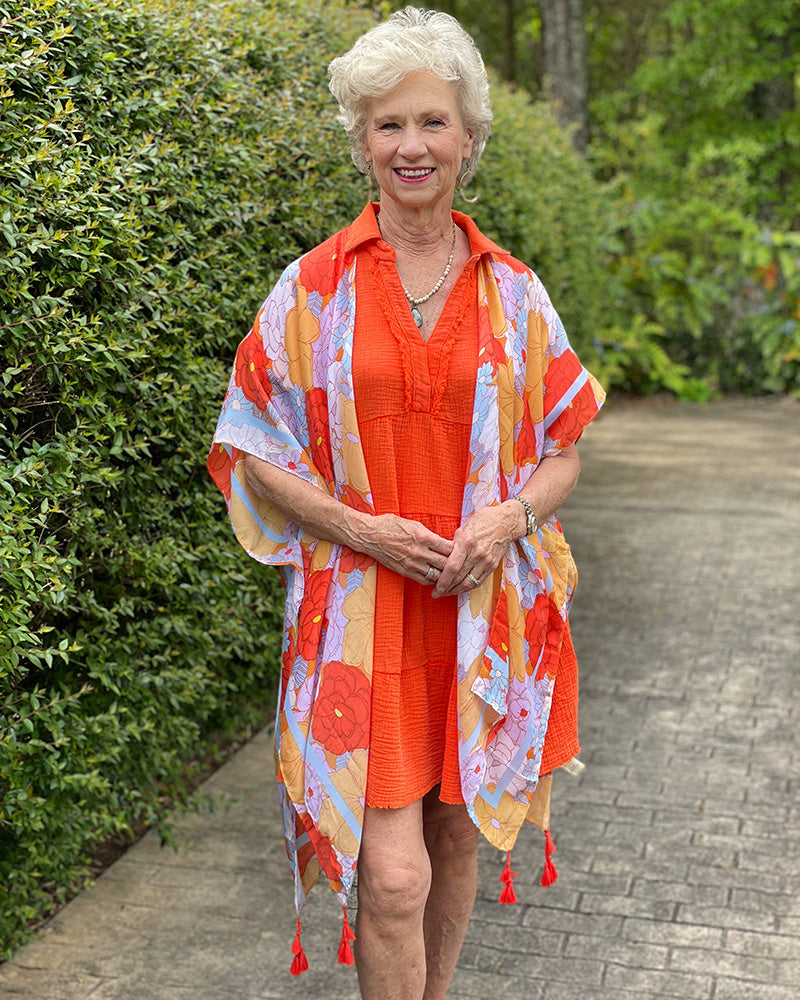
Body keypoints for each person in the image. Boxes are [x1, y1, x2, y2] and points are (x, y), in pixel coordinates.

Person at [208, 7, 604, 999]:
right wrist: (357, 527)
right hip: (361, 620)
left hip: (478, 614)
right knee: (391, 880)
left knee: (454, 840)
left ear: (468, 139)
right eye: (388, 124)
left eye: (432, 121)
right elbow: (252, 447)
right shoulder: (311, 290)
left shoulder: (515, 294)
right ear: (362, 142)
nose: (411, 144)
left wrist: (506, 518)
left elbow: (562, 450)